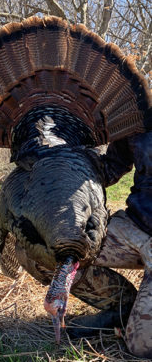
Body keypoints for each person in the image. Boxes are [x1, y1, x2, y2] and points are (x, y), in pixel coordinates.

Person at [16, 126, 152, 358]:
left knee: (141, 348)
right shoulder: (139, 117)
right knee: (40, 248)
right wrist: (61, 156)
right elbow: (110, 167)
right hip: (136, 225)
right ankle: (121, 306)